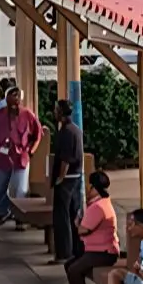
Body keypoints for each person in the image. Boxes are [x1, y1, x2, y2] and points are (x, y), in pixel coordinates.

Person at [0, 86, 41, 228]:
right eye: (12, 100)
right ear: (6, 100)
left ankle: (20, 219)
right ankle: (2, 212)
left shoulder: (28, 115)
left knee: (20, 190)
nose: (15, 104)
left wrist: (32, 150)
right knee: (0, 186)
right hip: (2, 159)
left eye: (17, 100)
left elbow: (37, 135)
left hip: (21, 158)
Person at [64, 171, 119, 284]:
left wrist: (77, 224)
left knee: (73, 270)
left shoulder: (97, 207)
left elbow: (83, 229)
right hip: (98, 250)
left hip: (102, 252)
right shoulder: (102, 202)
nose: (88, 189)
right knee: (71, 265)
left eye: (90, 186)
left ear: (95, 188)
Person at [49, 99, 85, 264]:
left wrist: (60, 178)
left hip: (67, 180)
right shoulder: (75, 129)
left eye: (56, 109)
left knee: (62, 217)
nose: (54, 112)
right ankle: (76, 250)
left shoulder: (66, 132)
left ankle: (64, 253)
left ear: (61, 113)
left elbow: (65, 159)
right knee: (73, 214)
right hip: (76, 178)